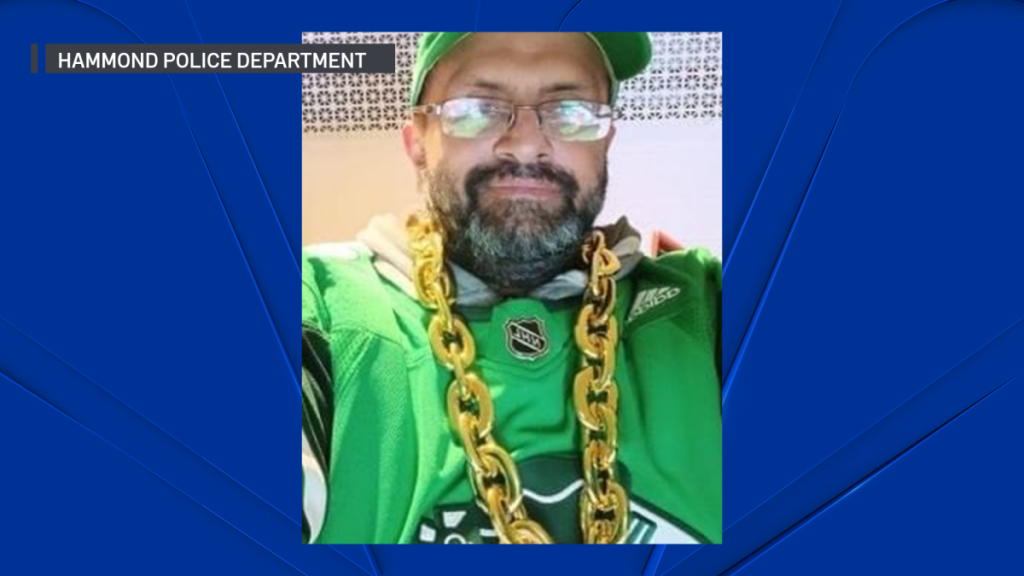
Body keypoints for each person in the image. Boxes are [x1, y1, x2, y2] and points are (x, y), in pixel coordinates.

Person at [301, 32, 722, 545]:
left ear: (606, 143)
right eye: (477, 109)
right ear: (417, 142)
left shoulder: (706, 307)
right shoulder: (318, 305)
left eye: (570, 111)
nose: (525, 144)